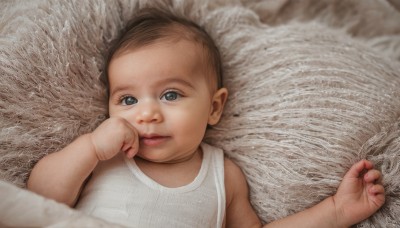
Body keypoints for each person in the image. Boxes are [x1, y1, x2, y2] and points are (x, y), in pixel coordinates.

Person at [27, 8, 385, 228]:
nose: (146, 113)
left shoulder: (223, 176)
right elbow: (40, 195)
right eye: (128, 99)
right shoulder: (105, 156)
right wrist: (89, 147)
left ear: (214, 107)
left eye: (171, 95)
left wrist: (335, 212)